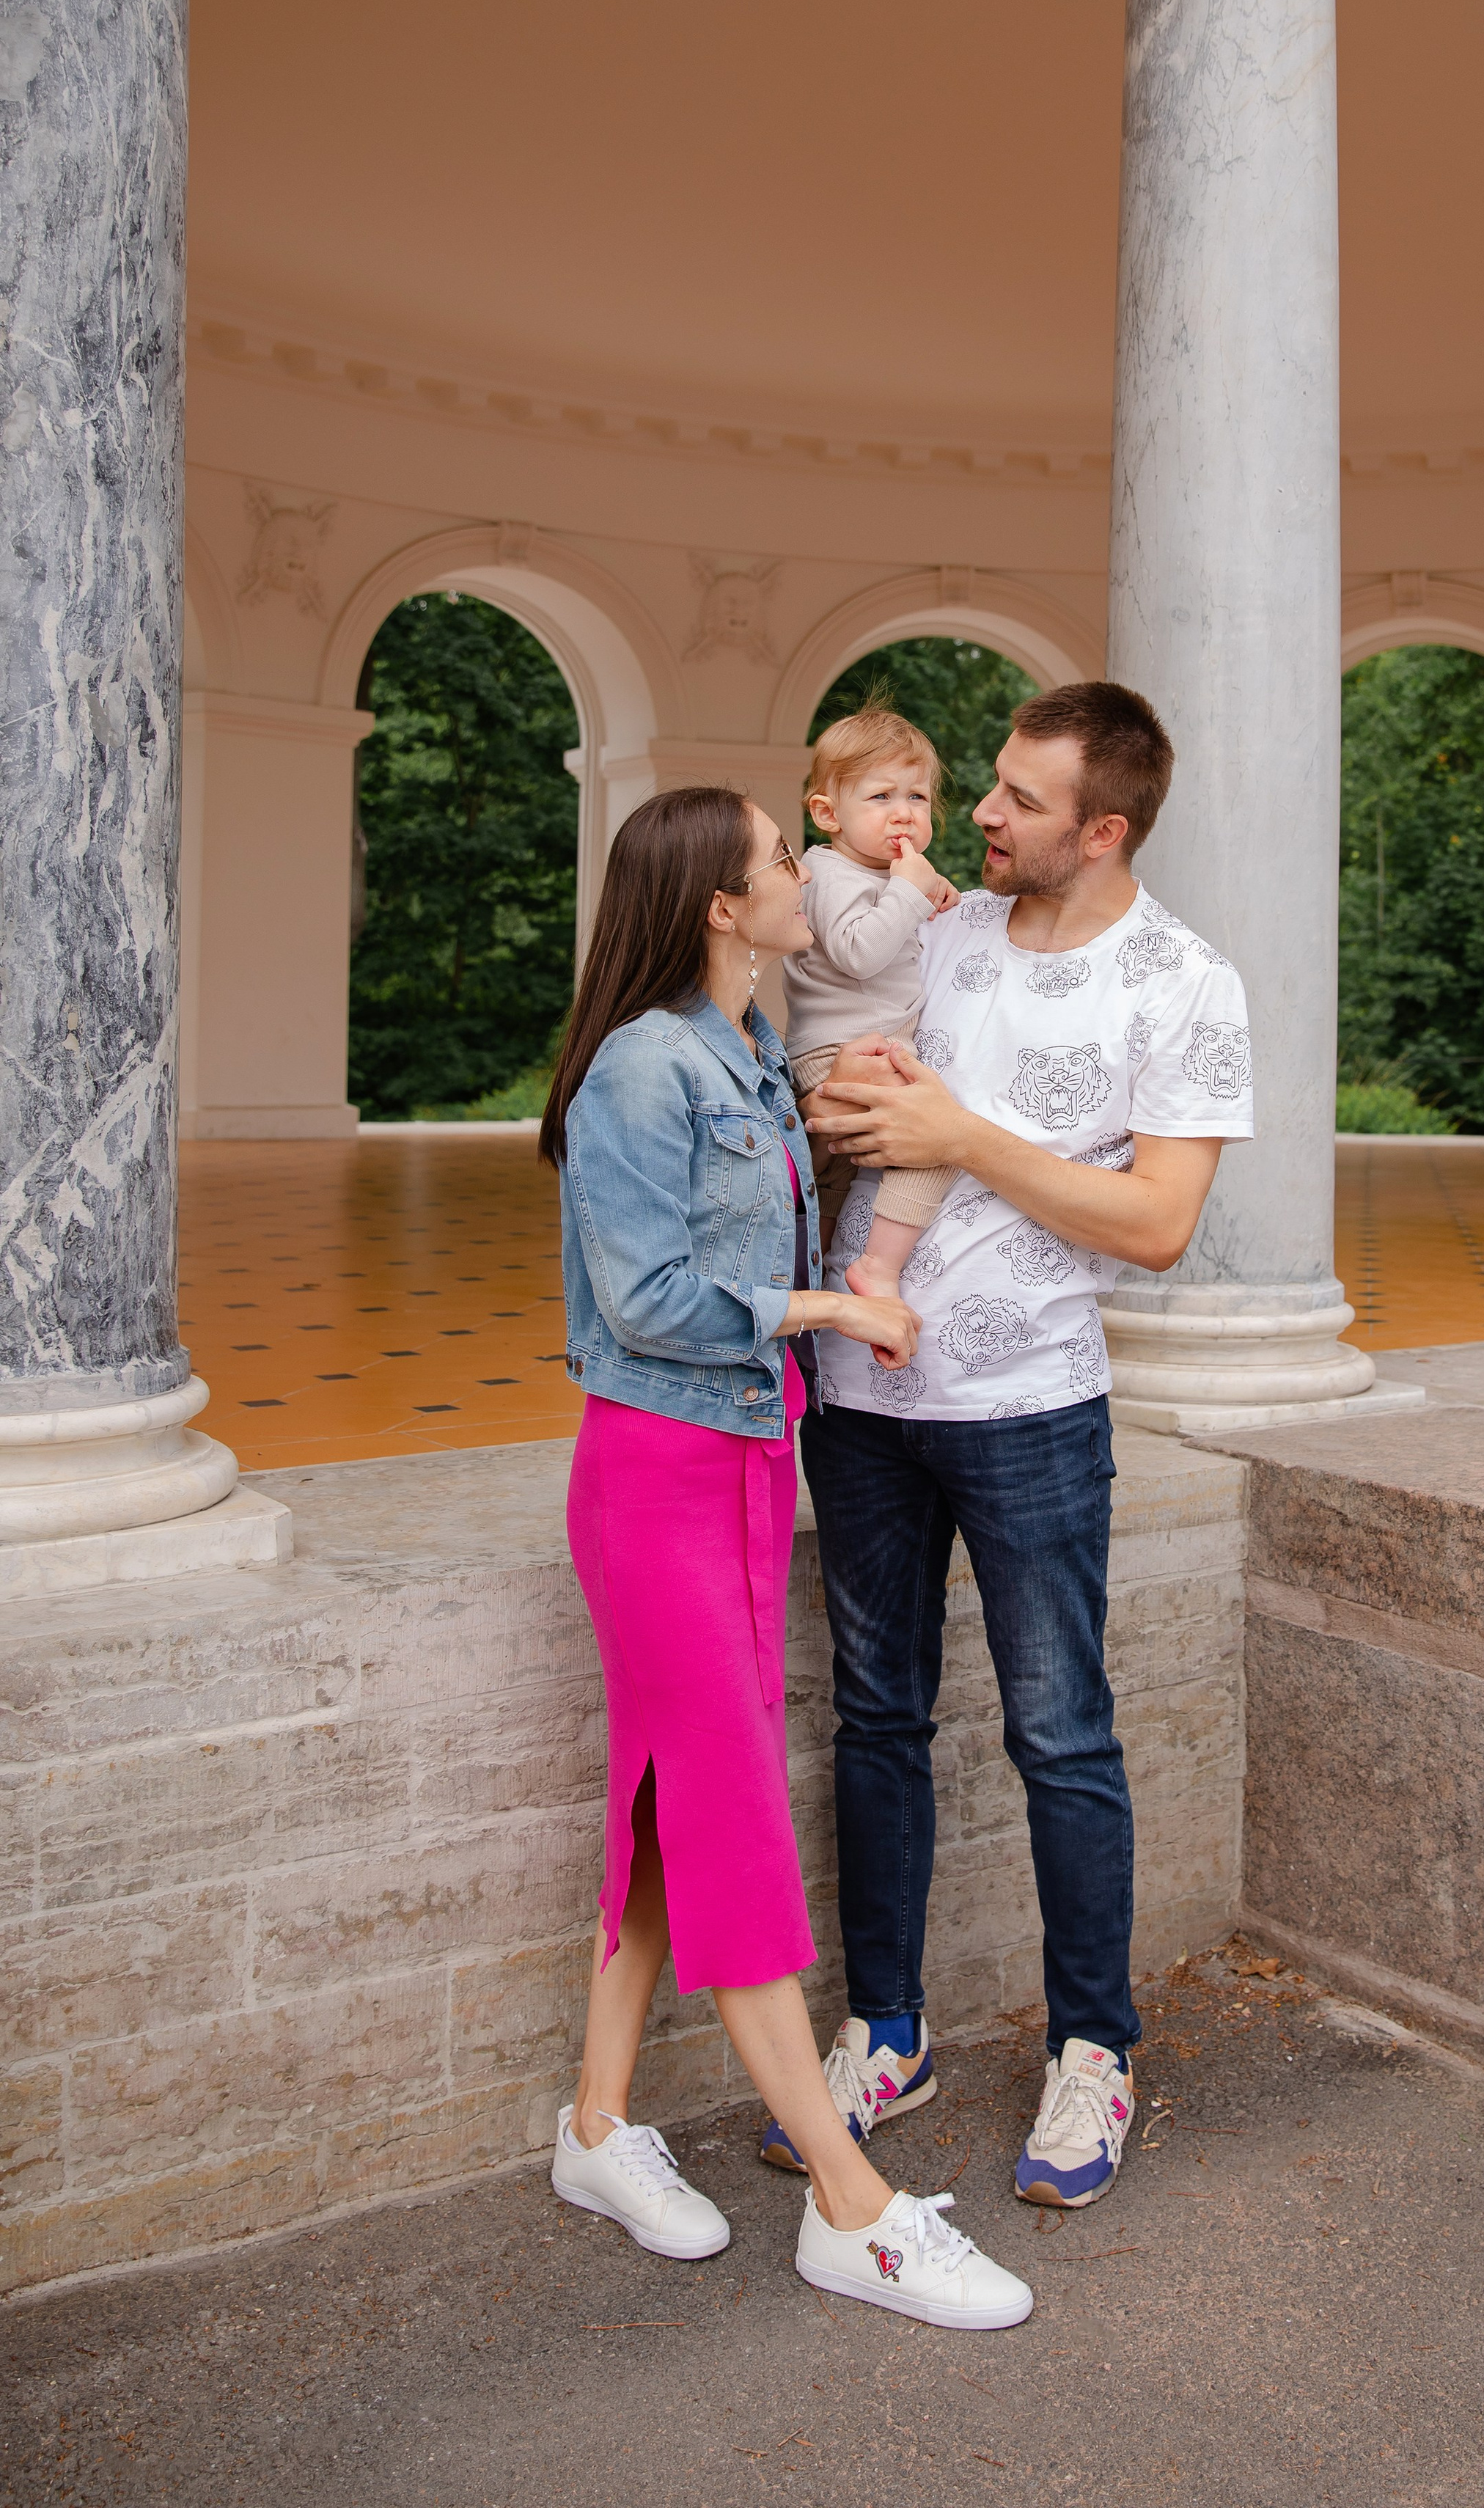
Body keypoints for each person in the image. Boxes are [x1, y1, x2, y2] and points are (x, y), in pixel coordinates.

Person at [537, 783, 1032, 2330]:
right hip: (657, 1474)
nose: (800, 874)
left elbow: (752, 1195)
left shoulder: (744, 1047)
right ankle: (849, 2203)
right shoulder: (639, 1066)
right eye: (776, 859)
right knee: (737, 1816)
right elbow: (646, 1299)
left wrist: (844, 1107)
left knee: (676, 1806)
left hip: (744, 1470)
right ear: (717, 905)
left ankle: (599, 2129)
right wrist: (825, 1313)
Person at [790, 683, 1255, 2209]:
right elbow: (838, 1068)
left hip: (1030, 1410)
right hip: (862, 1399)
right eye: (984, 785)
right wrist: (832, 1104)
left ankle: (1093, 2052)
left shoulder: (1183, 982)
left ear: (1101, 829)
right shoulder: (941, 932)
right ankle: (886, 2030)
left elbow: (1161, 1225)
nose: (975, 815)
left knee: (1061, 1735)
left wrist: (963, 1141)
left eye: (1015, 799)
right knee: (875, 1717)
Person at [782, 705, 961, 1304]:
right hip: (843, 1052)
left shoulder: (876, 874)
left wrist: (925, 893)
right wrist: (912, 892)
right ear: (827, 813)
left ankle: (812, 1275)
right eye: (881, 796)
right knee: (937, 1144)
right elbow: (860, 951)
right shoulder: (828, 874)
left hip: (850, 1050)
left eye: (917, 796)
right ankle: (879, 1269)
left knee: (831, 1181)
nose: (904, 812)